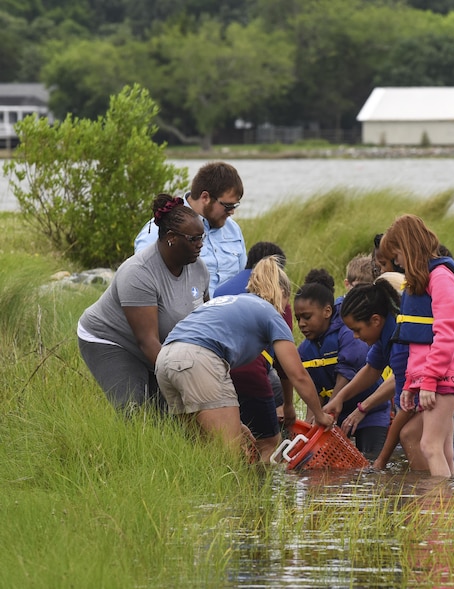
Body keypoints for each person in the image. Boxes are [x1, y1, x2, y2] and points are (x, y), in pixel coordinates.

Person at [155, 257, 334, 459]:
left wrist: (234, 423)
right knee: (231, 456)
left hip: (165, 359)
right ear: (282, 293)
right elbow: (297, 374)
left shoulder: (227, 302)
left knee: (202, 450)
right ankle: (242, 491)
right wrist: (319, 415)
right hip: (199, 358)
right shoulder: (270, 313)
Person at [328, 279, 454, 472]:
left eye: (357, 330)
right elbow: (371, 369)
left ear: (375, 320)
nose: (355, 336)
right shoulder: (390, 329)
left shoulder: (400, 345)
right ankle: (443, 488)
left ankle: (434, 493)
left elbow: (406, 409)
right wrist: (340, 398)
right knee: (425, 434)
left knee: (413, 435)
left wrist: (381, 461)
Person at [78, 194, 209, 411]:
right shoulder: (138, 273)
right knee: (135, 408)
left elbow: (205, 325)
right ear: (171, 237)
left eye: (202, 237)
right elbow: (148, 342)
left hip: (158, 346)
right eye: (194, 239)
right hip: (111, 340)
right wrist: (187, 382)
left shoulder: (198, 268)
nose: (200, 245)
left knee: (171, 413)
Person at [379, 214, 454, 477]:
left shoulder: (441, 277)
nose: (396, 262)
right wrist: (411, 384)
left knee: (429, 446)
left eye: (396, 254)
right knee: (443, 449)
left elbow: (446, 334)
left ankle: (437, 511)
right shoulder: (420, 284)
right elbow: (417, 346)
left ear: (407, 247)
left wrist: (429, 380)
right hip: (432, 377)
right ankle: (447, 511)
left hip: (444, 375)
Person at [294, 268, 390, 459]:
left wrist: (329, 410)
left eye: (307, 317)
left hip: (369, 412)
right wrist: (311, 422)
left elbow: (347, 373)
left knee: (370, 464)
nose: (301, 324)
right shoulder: (304, 351)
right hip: (335, 415)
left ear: (327, 311)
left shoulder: (348, 333)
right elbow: (314, 393)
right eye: (298, 319)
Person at [213, 242, 293, 463]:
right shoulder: (275, 294)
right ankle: (261, 491)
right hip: (253, 372)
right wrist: (289, 405)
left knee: (232, 438)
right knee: (269, 442)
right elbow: (285, 362)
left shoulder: (221, 290)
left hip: (218, 371)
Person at [134, 161, 246, 293]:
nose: (232, 212)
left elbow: (243, 277)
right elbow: (141, 283)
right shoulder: (159, 230)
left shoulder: (233, 230)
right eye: (228, 206)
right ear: (205, 197)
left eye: (235, 206)